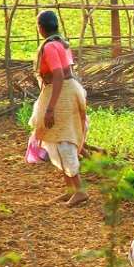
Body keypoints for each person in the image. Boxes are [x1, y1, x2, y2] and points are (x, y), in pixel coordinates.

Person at [28, 11, 89, 207]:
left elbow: (58, 75)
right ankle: (71, 190)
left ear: (41, 28)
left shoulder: (50, 47)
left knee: (63, 140)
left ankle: (79, 191)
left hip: (60, 93)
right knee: (56, 138)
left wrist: (50, 108)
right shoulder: (61, 43)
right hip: (65, 91)